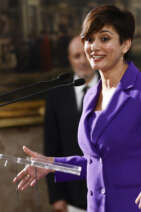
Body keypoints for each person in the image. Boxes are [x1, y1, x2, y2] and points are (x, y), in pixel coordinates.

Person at [13, 5, 141, 212]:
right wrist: (52, 164)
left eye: (104, 39)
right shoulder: (90, 95)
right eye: (89, 39)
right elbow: (96, 162)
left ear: (125, 44)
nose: (93, 47)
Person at [44, 36, 98, 212]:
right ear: (70, 60)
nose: (83, 61)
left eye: (86, 54)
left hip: (109, 192)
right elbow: (52, 148)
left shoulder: (112, 89)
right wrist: (56, 195)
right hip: (71, 195)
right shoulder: (56, 95)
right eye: (77, 56)